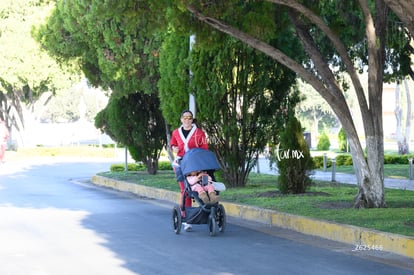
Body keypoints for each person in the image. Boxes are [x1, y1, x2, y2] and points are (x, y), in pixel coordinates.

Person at [170, 110, 208, 231]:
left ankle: (205, 210)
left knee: (201, 185)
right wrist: (173, 148)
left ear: (192, 120)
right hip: (180, 164)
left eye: (189, 118)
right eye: (185, 118)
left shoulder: (199, 132)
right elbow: (172, 144)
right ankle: (186, 218)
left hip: (195, 164)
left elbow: (204, 147)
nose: (187, 120)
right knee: (185, 190)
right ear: (181, 119)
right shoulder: (176, 132)